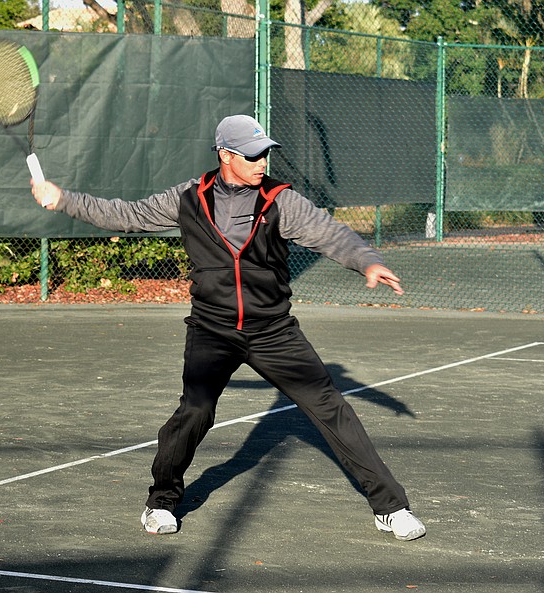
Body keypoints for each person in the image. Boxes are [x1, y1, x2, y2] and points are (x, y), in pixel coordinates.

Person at [31, 114, 426, 541]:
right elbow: (125, 215)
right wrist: (64, 199)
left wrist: (367, 260)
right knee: (195, 412)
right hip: (212, 330)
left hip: (273, 331)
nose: (262, 163)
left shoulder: (281, 201)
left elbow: (330, 234)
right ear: (225, 155)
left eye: (266, 154)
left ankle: (391, 508)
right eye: (252, 155)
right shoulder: (187, 198)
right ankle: (161, 502)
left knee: (332, 409)